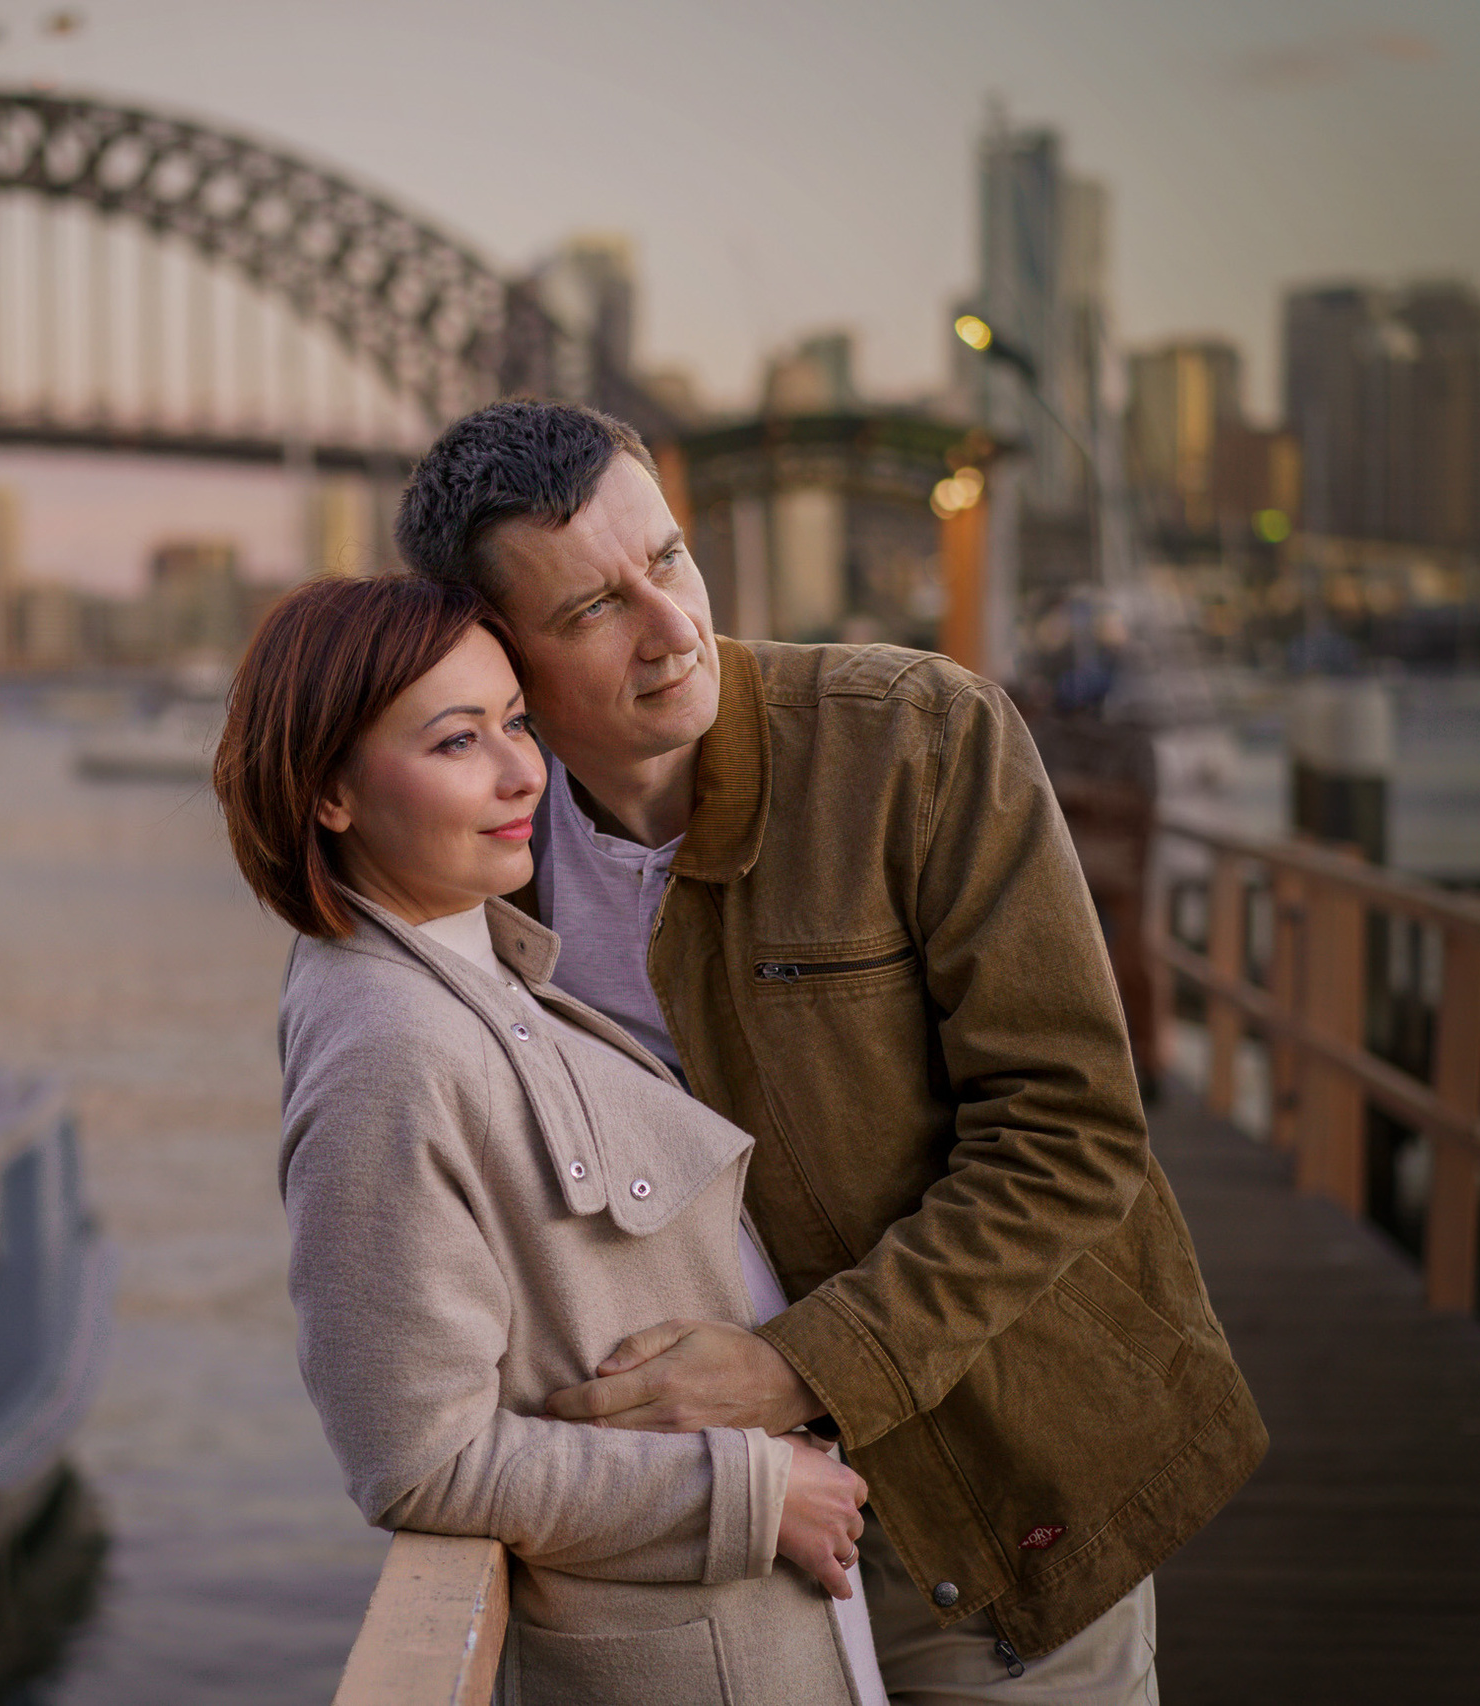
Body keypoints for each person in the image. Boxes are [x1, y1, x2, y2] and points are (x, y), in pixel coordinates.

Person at [388, 398, 1268, 1702]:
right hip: (704, 1541)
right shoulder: (483, 872)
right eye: (593, 610)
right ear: (495, 656)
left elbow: (1072, 1135)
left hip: (987, 1504)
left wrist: (792, 1365)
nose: (673, 627)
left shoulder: (918, 736)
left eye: (670, 559)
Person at [217, 574, 887, 1705]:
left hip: (757, 1619)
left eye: (515, 722)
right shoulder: (389, 1043)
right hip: (697, 1643)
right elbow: (420, 1458)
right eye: (456, 741)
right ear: (328, 790)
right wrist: (750, 1491)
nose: (523, 769)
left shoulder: (474, 959)